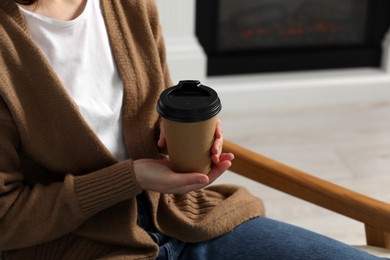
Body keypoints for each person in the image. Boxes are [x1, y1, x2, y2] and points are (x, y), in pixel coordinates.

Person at [0, 0, 387, 259]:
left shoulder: (125, 6)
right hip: (82, 248)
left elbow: (150, 122)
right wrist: (131, 177)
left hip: (184, 219)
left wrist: (184, 142)